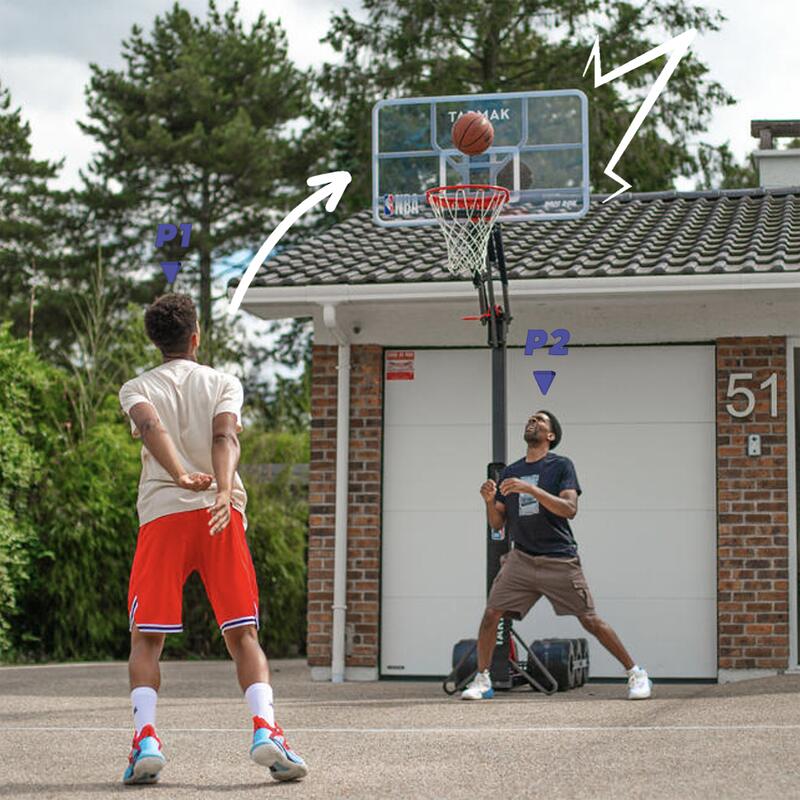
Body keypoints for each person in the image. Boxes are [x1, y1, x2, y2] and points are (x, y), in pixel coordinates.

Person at [118, 294, 307, 784]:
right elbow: (226, 437)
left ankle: (146, 742)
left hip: (162, 516)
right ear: (196, 337)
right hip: (219, 516)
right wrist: (222, 489)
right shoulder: (223, 381)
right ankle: (265, 730)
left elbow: (149, 425)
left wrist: (180, 475)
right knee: (242, 633)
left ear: (154, 340)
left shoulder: (136, 386)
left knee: (146, 638)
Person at [461, 409, 651, 702]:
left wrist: (531, 489)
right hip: (521, 559)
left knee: (589, 620)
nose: (532, 421)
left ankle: (636, 673)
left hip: (559, 558)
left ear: (550, 436)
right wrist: (488, 501)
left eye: (540, 420)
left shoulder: (561, 466)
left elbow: (569, 509)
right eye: (530, 419)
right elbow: (498, 523)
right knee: (491, 615)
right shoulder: (510, 472)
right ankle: (483, 680)